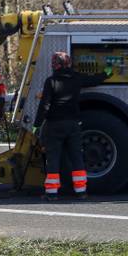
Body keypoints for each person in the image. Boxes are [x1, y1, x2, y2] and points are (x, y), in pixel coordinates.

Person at [33, 52, 109, 200]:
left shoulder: (51, 81)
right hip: (73, 125)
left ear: (55, 65)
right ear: (68, 64)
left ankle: (52, 193)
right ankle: (81, 191)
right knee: (76, 157)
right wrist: (107, 73)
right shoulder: (76, 78)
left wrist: (37, 125)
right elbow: (94, 80)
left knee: (53, 158)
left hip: (54, 125)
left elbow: (45, 105)